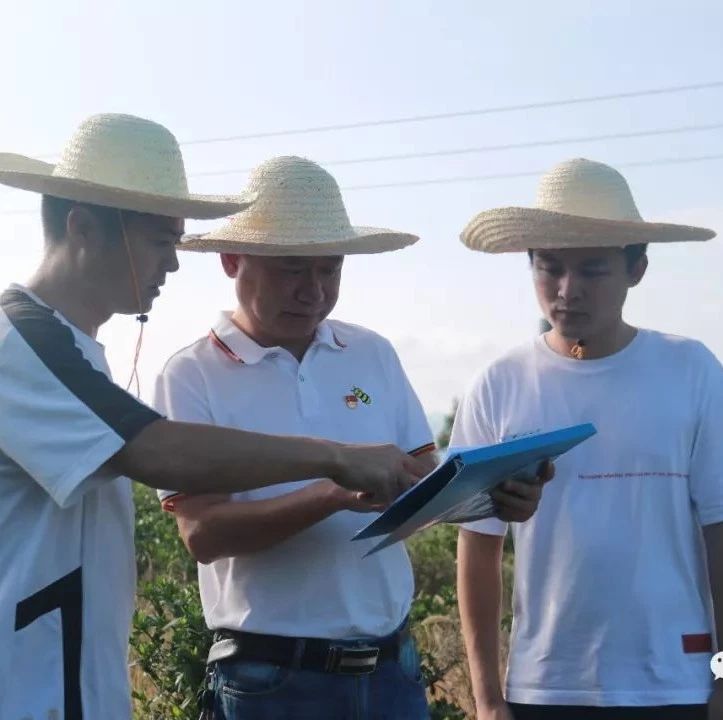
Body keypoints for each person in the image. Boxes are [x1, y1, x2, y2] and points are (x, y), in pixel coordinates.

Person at [0, 117, 425, 720]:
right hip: (33, 686)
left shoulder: (72, 348)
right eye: (158, 241)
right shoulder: (21, 341)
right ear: (84, 228)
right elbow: (156, 451)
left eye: (328, 269)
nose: (172, 264)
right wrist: (334, 460)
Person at [154, 156, 550, 720]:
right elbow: (203, 534)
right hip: (270, 680)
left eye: (330, 269)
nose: (313, 291)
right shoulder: (191, 374)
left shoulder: (371, 355)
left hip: (392, 670)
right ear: (232, 260)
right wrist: (333, 492)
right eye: (293, 268)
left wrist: (493, 495)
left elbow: (425, 483)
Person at [453, 157, 723, 720]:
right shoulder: (500, 383)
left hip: (675, 683)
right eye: (549, 268)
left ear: (637, 269)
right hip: (545, 685)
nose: (566, 291)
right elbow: (478, 545)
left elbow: (719, 530)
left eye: (593, 270)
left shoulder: (691, 370)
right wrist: (485, 699)